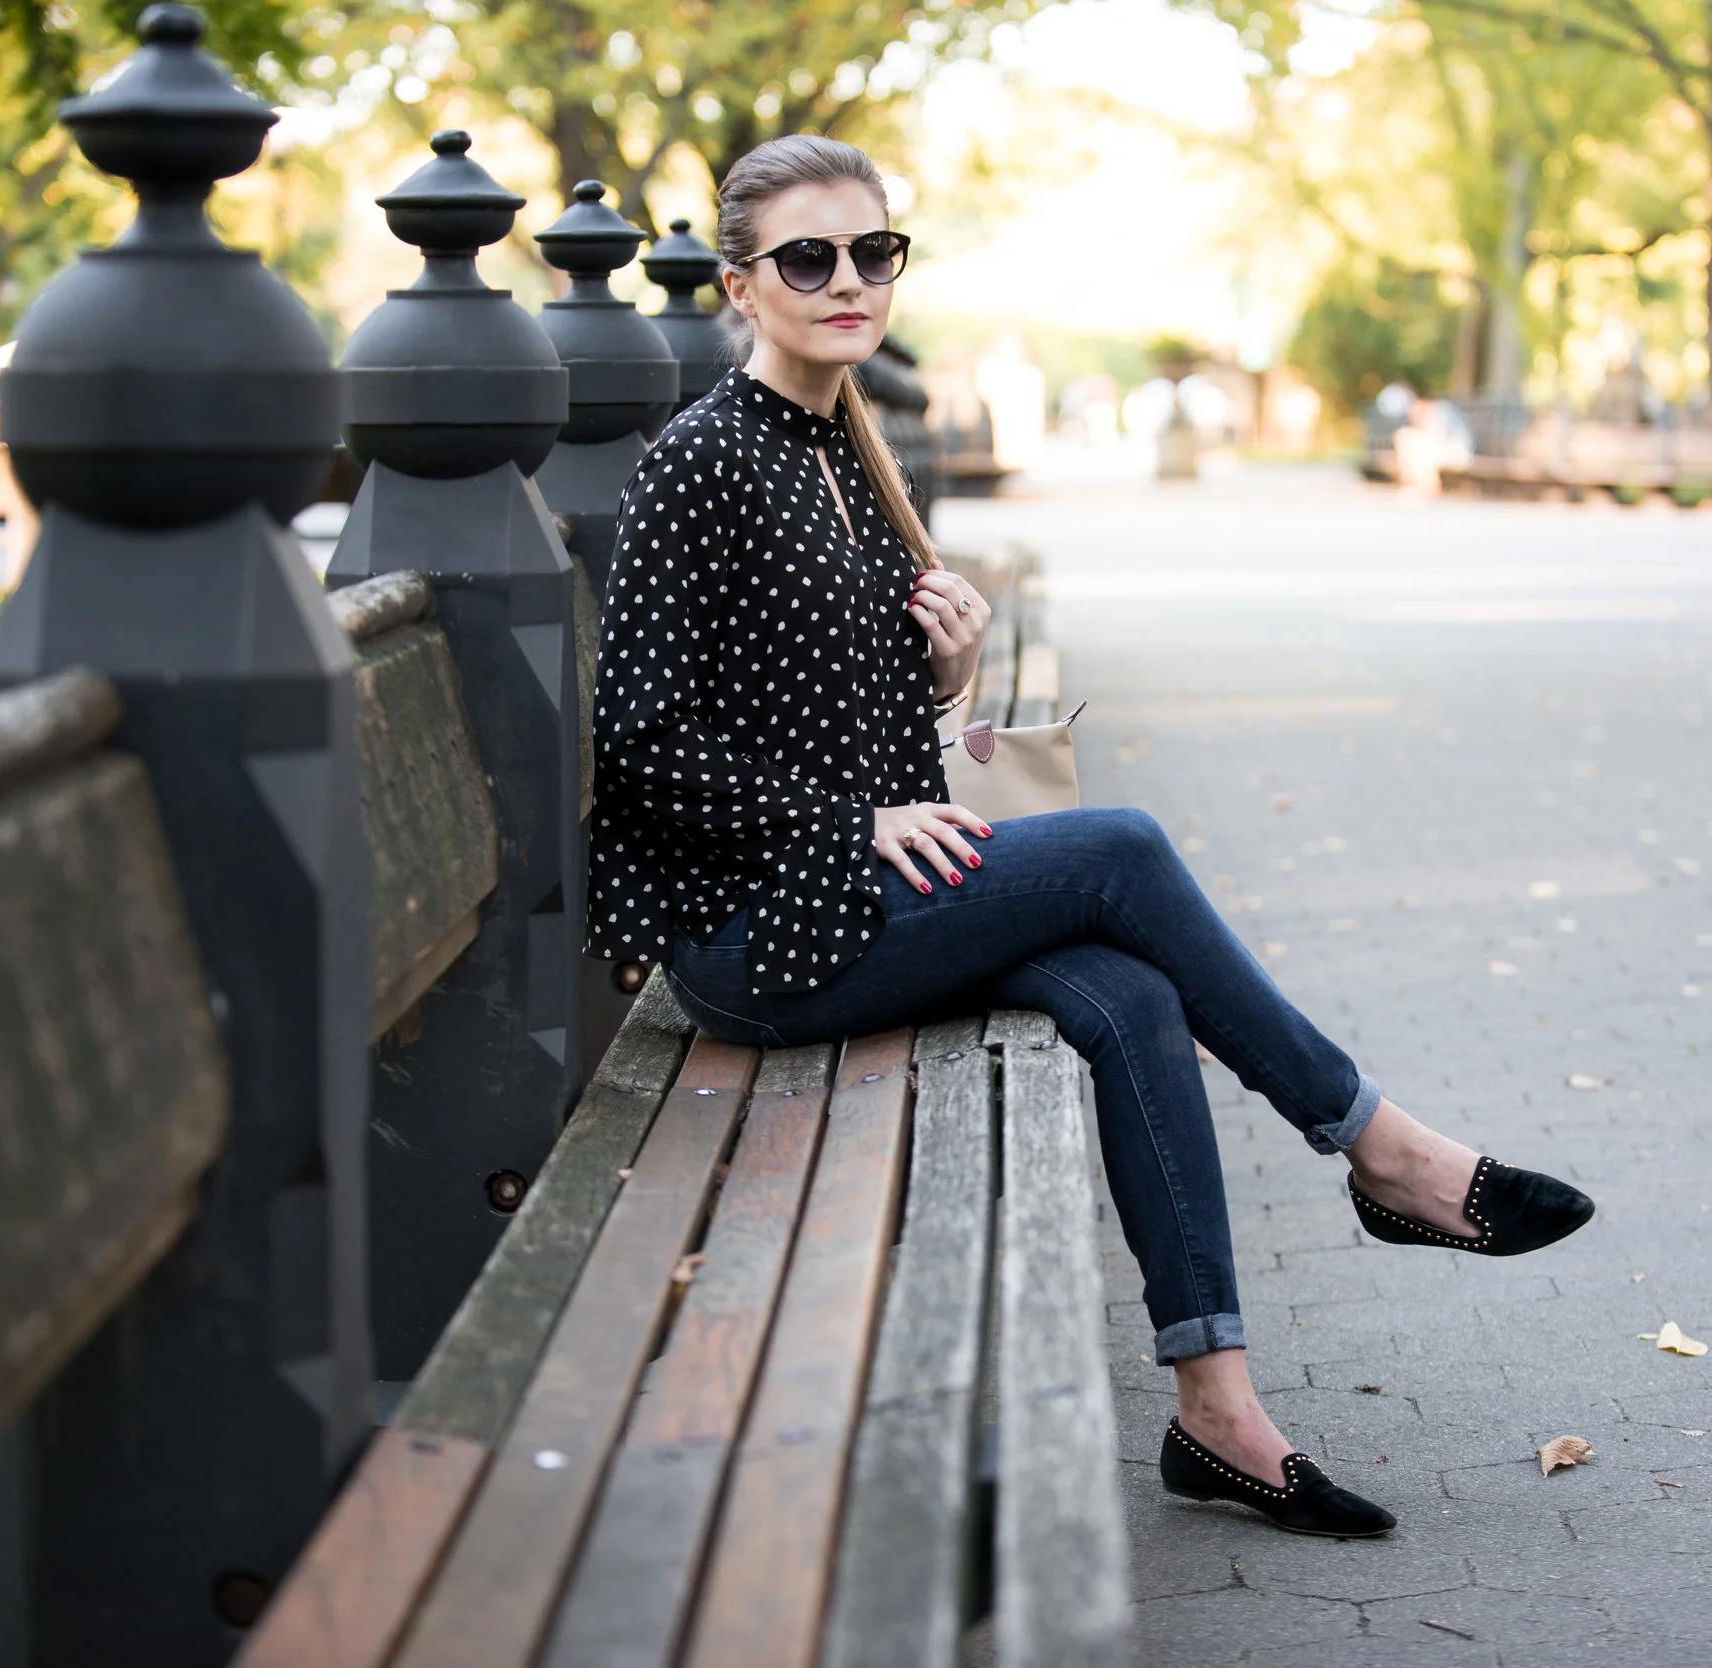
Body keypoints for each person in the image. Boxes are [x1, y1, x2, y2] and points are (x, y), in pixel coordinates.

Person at [586, 135, 1595, 1540]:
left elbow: (836, 716)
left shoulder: (846, 449)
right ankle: (1384, 1150)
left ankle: (1218, 1415)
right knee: (1117, 852)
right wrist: (853, 817)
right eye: (807, 258)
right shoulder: (701, 461)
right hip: (761, 934)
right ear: (741, 288)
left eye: (873, 251)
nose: (847, 280)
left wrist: (944, 670)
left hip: (856, 893)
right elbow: (638, 748)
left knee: (1131, 996)